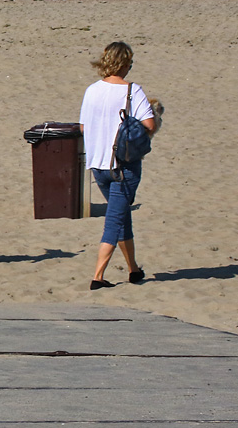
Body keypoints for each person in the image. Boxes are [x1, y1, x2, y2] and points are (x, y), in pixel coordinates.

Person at [79, 41, 156, 290]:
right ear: (124, 64)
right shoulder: (132, 91)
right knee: (114, 221)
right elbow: (150, 125)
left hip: (97, 164)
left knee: (122, 216)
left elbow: (83, 127)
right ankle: (98, 276)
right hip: (123, 165)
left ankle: (133, 269)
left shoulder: (91, 90)